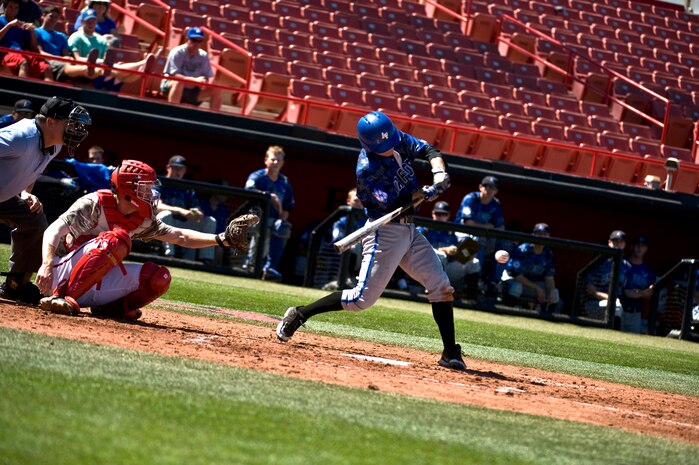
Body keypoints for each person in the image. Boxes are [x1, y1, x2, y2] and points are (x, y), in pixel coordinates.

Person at [276, 111, 467, 371]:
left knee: (440, 286)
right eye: (384, 148)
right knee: (359, 300)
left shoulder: (395, 138)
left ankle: (450, 351)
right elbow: (399, 204)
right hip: (385, 231)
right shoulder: (368, 172)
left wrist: (438, 174)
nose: (391, 149)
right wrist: (425, 193)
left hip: (409, 231)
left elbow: (428, 150)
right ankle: (300, 313)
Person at [35, 160, 257, 318]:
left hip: (94, 283)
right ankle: (63, 299)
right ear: (128, 188)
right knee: (118, 238)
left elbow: (180, 236)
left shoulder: (141, 218)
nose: (151, 194)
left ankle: (112, 308)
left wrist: (221, 239)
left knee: (159, 277)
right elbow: (52, 231)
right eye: (145, 188)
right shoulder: (95, 203)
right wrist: (46, 265)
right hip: (59, 276)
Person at [0, 96, 91, 304]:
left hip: (4, 198)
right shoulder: (21, 136)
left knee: (33, 218)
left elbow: (31, 172)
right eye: (71, 124)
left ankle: (16, 285)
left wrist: (25, 193)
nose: (76, 130)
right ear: (50, 122)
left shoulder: (54, 144)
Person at [68, 8, 154, 91]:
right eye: (88, 21)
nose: (91, 24)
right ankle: (143, 64)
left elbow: (107, 59)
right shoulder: (76, 37)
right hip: (87, 70)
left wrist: (103, 62)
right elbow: (77, 58)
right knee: (118, 72)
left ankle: (142, 68)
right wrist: (96, 61)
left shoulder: (100, 39)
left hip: (103, 70)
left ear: (96, 22)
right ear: (82, 22)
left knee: (123, 77)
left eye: (93, 21)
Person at [244, 145, 294, 281]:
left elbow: (288, 205)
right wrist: (269, 196)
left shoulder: (284, 182)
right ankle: (250, 265)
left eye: (279, 160)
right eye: (273, 159)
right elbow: (248, 190)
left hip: (274, 219)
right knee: (264, 230)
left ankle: (269, 268)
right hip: (255, 217)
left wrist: (282, 220)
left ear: (283, 162)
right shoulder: (258, 176)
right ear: (266, 160)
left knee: (282, 227)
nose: (276, 163)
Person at [155, 155, 217, 264]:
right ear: (168, 167)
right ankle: (170, 256)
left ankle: (206, 259)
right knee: (165, 214)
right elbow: (157, 206)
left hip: (182, 224)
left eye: (181, 169)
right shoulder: (159, 183)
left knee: (210, 221)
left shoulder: (186, 187)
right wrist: (180, 210)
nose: (178, 171)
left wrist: (196, 213)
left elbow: (196, 208)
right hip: (163, 224)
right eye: (175, 168)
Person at [417, 200, 481, 299]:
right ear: (433, 213)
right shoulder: (424, 229)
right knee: (439, 255)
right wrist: (444, 249)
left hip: (447, 267)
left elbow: (458, 253)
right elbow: (418, 251)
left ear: (448, 216)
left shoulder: (450, 232)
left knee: (474, 262)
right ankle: (432, 289)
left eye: (444, 214)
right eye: (438, 214)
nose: (440, 217)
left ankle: (470, 297)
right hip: (424, 268)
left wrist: (467, 254)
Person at [454, 175, 506, 296]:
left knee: (503, 244)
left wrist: (486, 227)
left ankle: (492, 282)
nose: (488, 190)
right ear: (480, 187)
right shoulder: (471, 198)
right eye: (486, 186)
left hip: (482, 239)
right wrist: (488, 226)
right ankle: (471, 279)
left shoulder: (495, 204)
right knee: (477, 240)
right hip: (460, 234)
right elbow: (469, 223)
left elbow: (501, 227)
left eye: (492, 188)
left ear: (496, 191)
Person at [500, 223, 560, 313]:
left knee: (554, 293)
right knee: (517, 287)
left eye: (544, 234)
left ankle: (546, 318)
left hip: (535, 286)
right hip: (516, 283)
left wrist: (551, 290)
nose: (541, 236)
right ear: (533, 234)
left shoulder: (548, 253)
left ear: (549, 236)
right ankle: (507, 311)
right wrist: (536, 288)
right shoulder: (523, 249)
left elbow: (549, 278)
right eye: (538, 233)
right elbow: (516, 275)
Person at [160, 26, 222, 111]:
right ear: (187, 39)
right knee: (179, 83)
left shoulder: (203, 55)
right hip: (171, 87)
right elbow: (173, 76)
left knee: (217, 88)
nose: (196, 43)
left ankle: (215, 119)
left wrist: (204, 82)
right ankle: (172, 113)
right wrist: (195, 80)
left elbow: (208, 76)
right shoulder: (177, 52)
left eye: (199, 41)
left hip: (192, 90)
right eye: (193, 40)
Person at [583, 230, 630, 324]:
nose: (618, 244)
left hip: (618, 307)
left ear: (624, 244)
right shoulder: (599, 261)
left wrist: (644, 291)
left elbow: (627, 290)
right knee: (616, 307)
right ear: (610, 243)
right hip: (594, 303)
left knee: (618, 308)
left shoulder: (626, 266)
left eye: (621, 242)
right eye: (616, 241)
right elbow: (589, 288)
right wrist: (608, 298)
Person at [0, 0, 52, 80]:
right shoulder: (1, 20)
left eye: (16, 8)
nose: (13, 10)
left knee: (47, 68)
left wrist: (32, 32)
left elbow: (34, 48)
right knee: (23, 62)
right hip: (6, 53)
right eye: (10, 7)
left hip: (21, 53)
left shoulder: (20, 24)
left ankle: (49, 91)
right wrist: (9, 25)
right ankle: (22, 90)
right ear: (5, 8)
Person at [620, 234, 656, 334]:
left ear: (646, 249)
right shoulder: (623, 264)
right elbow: (627, 292)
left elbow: (650, 296)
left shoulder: (648, 271)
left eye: (642, 245)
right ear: (632, 246)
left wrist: (638, 293)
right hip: (620, 311)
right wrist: (643, 293)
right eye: (637, 245)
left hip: (635, 314)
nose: (640, 248)